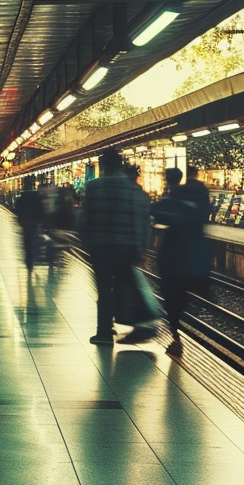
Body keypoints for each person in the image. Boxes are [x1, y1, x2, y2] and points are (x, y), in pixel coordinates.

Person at [80, 148, 152, 345]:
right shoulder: (133, 189)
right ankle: (138, 324)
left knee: (104, 290)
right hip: (126, 247)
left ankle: (104, 332)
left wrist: (85, 242)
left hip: (100, 246)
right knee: (125, 286)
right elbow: (143, 220)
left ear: (103, 167)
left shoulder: (93, 187)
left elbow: (84, 218)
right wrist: (142, 248)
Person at [151, 167, 199, 356]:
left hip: (168, 255)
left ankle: (175, 335)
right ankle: (177, 330)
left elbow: (155, 218)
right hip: (185, 255)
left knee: (169, 296)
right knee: (179, 294)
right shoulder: (188, 201)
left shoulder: (165, 201)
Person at [14, 176, 44, 272]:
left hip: (25, 222)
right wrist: (39, 219)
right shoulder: (37, 197)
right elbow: (40, 209)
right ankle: (32, 258)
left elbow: (18, 209)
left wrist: (21, 219)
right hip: (34, 222)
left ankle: (29, 260)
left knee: (27, 240)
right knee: (33, 239)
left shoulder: (21, 197)